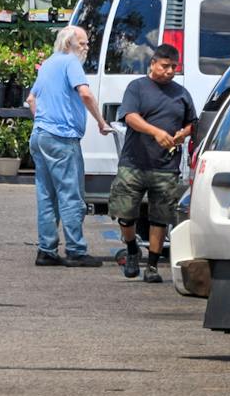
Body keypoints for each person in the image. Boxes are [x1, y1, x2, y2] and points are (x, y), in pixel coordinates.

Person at [109, 43, 195, 282]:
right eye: (165, 66)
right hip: (134, 162)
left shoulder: (181, 93)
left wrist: (183, 133)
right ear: (153, 64)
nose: (169, 71)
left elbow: (192, 122)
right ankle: (132, 249)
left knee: (160, 217)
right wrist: (155, 132)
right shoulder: (137, 87)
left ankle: (153, 267)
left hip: (166, 165)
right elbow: (130, 117)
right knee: (125, 213)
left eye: (173, 67)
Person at [26, 24, 111, 268]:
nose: (86, 48)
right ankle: (75, 250)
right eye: (82, 43)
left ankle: (47, 249)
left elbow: (32, 99)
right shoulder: (70, 62)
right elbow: (84, 94)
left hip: (40, 135)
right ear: (68, 44)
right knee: (71, 195)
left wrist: (45, 120)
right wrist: (101, 121)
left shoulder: (49, 64)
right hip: (62, 137)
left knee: (46, 196)